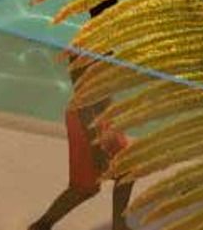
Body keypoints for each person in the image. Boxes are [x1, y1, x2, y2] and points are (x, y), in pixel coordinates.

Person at [31, 59, 132, 230]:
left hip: (104, 111)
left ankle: (119, 226)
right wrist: (97, 149)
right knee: (84, 188)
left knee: (128, 169)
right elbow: (83, 92)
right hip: (86, 117)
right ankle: (41, 225)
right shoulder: (83, 51)